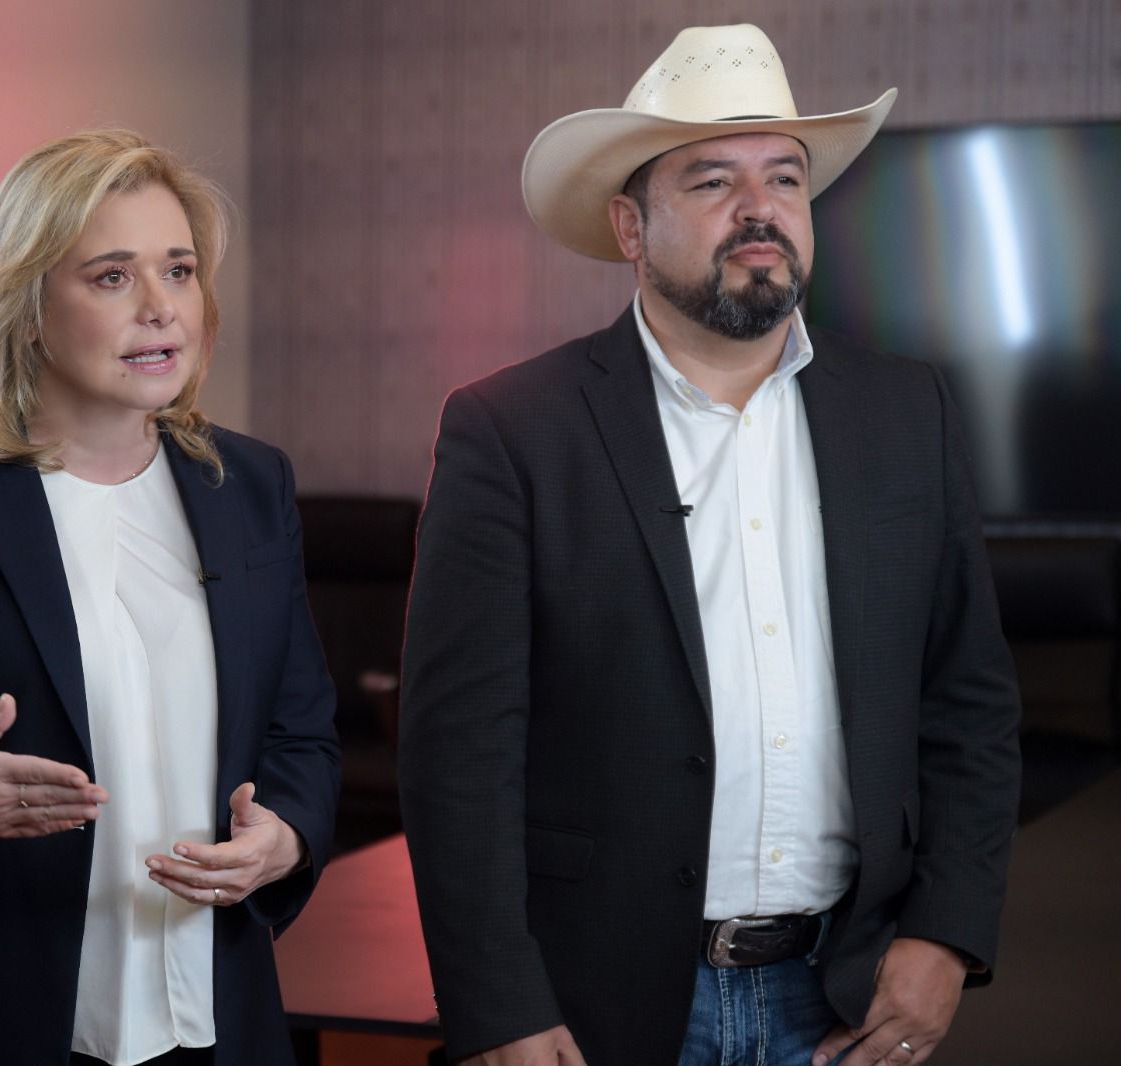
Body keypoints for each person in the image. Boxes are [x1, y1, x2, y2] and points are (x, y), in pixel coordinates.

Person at [398, 24, 1020, 1066]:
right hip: (599, 1003)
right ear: (629, 227)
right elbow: (458, 753)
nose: (758, 206)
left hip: (847, 994)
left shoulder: (907, 411)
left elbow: (968, 699)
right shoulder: (512, 431)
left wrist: (947, 932)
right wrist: (498, 1004)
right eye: (712, 180)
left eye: (784, 177)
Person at [0, 130, 340, 1066]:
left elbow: (301, 735)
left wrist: (285, 838)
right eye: (113, 277)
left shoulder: (247, 483)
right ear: (29, 304)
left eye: (179, 270)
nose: (161, 308)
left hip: (213, 1014)